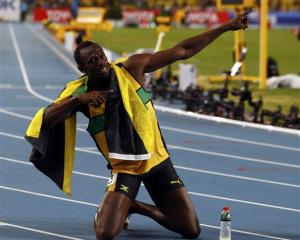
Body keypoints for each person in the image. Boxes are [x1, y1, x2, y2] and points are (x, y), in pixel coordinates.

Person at [25, 11, 250, 240]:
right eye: (92, 61)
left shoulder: (132, 69)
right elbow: (46, 118)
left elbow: (183, 51)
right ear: (83, 69)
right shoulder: (79, 93)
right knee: (105, 234)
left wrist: (225, 27)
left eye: (101, 56)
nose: (100, 61)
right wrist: (77, 101)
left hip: (157, 160)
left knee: (191, 230)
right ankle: (122, 203)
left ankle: (134, 206)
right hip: (125, 167)